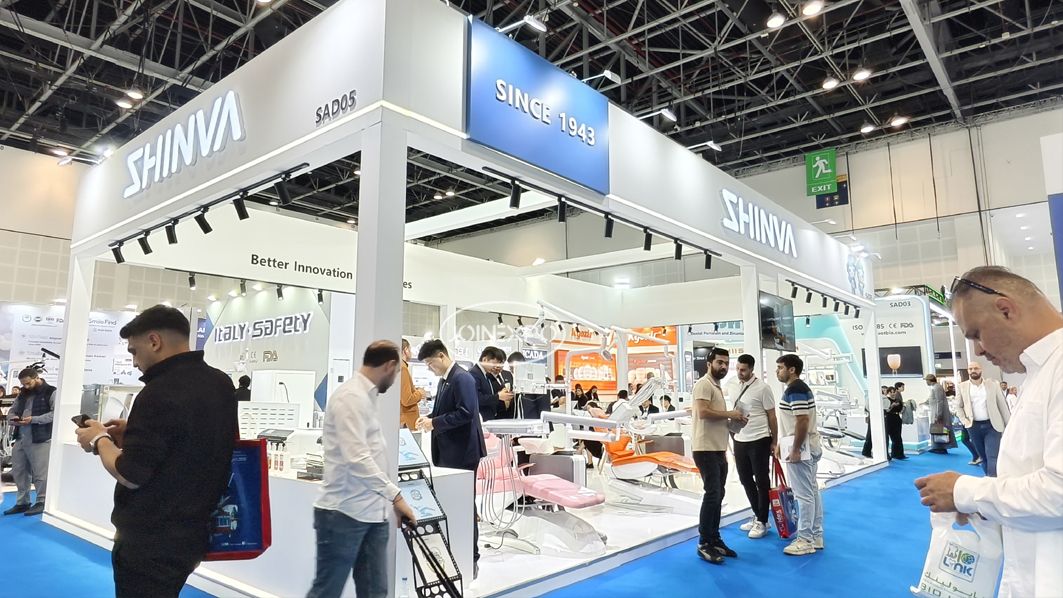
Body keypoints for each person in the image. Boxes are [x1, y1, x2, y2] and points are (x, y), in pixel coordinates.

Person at [916, 266, 1063, 598]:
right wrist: (986, 506)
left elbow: (1059, 492)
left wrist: (966, 491)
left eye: (976, 334)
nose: (978, 351)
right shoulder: (1040, 372)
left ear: (1006, 309)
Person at [74, 305, 237, 598]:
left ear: (154, 341)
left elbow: (130, 474)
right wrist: (135, 432)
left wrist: (99, 439)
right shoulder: (220, 383)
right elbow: (194, 442)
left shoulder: (158, 391)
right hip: (194, 533)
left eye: (134, 351)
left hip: (150, 539)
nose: (134, 362)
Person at [307, 341, 417, 598]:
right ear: (389, 365)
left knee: (375, 592)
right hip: (343, 513)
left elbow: (369, 455)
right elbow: (356, 459)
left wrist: (388, 501)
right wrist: (396, 496)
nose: (395, 380)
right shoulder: (350, 398)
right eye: (396, 372)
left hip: (373, 514)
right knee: (327, 591)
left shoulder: (366, 397)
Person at [415, 340, 487, 573]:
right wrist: (429, 418)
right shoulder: (446, 380)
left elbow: (466, 412)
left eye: (430, 363)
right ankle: (457, 551)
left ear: (441, 356)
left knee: (465, 504)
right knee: (455, 503)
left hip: (463, 452)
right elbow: (446, 410)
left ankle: (471, 556)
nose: (429, 368)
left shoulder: (462, 378)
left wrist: (435, 423)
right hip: (450, 452)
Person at [691, 347, 746, 565]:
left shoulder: (716, 386)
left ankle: (714, 538)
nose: (723, 366)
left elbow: (716, 417)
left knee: (719, 494)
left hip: (718, 448)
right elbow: (703, 412)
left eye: (726, 363)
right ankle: (704, 542)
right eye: (719, 362)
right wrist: (730, 413)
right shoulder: (703, 384)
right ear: (709, 364)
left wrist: (734, 422)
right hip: (705, 449)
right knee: (713, 494)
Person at [775, 354, 824, 556]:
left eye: (780, 368)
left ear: (792, 369)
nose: (777, 371)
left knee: (804, 495)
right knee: (811, 491)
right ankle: (816, 534)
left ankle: (805, 540)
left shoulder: (795, 389)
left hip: (802, 449)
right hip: (809, 446)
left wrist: (795, 449)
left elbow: (802, 420)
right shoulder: (799, 388)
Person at [730, 354, 778, 539]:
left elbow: (772, 416)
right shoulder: (733, 385)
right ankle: (758, 514)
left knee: (762, 480)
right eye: (737, 369)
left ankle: (762, 520)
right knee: (744, 479)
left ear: (751, 369)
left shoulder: (763, 388)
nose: (739, 372)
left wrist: (774, 441)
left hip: (760, 439)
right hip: (740, 439)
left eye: (743, 370)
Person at [4, 367, 56, 516]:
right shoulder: (22, 394)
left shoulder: (51, 392)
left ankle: (41, 501)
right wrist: (12, 418)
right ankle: (22, 502)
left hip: (40, 438)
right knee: (19, 471)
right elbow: (12, 411)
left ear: (36, 378)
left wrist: (34, 419)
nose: (25, 386)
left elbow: (55, 414)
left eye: (28, 383)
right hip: (21, 437)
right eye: (23, 384)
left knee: (40, 473)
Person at [955, 361, 1011, 476]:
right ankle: (989, 479)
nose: (973, 371)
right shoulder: (962, 387)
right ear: (968, 371)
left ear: (981, 370)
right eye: (970, 369)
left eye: (976, 368)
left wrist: (1009, 425)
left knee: (992, 456)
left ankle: (993, 481)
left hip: (993, 426)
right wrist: (965, 421)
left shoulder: (993, 384)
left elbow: (1002, 405)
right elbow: (958, 406)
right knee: (983, 457)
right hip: (973, 427)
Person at [468, 346, 512, 422]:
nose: (495, 367)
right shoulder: (474, 374)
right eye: (494, 364)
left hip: (489, 418)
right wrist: (498, 396)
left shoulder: (485, 374)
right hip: (481, 419)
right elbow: (476, 398)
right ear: (484, 359)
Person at [399, 339, 426, 430]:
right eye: (410, 350)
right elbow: (407, 400)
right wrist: (420, 393)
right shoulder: (402, 368)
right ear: (406, 350)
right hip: (406, 422)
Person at [925, 374, 952, 454]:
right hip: (936, 412)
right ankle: (937, 447)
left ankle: (941, 447)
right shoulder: (935, 387)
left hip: (938, 413)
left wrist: (938, 414)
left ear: (929, 380)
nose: (926, 382)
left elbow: (939, 401)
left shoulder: (937, 387)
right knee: (937, 429)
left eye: (926, 380)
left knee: (939, 430)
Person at [885, 386, 906, 460]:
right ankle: (891, 454)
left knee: (898, 437)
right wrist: (892, 406)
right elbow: (887, 410)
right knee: (890, 437)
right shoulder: (887, 400)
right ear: (888, 393)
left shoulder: (898, 400)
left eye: (894, 392)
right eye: (891, 392)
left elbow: (900, 409)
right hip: (889, 418)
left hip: (897, 418)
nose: (893, 393)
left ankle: (899, 454)